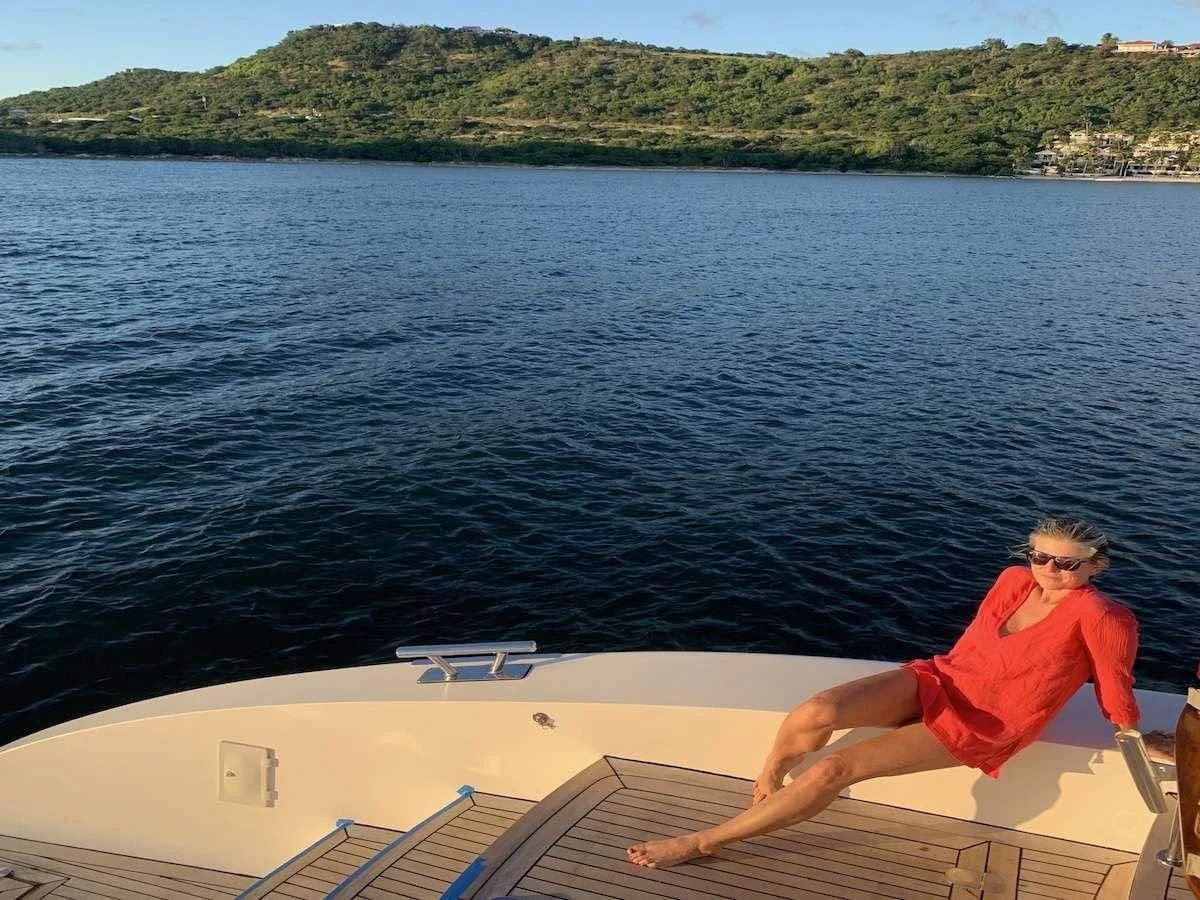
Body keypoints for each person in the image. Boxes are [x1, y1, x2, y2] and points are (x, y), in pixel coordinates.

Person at [628, 516, 1142, 869]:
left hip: (988, 720)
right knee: (819, 709)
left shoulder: (1103, 616)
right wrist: (925, 689)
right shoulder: (1012, 580)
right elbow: (975, 650)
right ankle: (771, 771)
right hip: (943, 679)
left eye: (1067, 564)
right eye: (1041, 556)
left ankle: (702, 841)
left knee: (832, 768)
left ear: (1096, 566)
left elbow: (1115, 681)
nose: (1050, 569)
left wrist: (1132, 734)